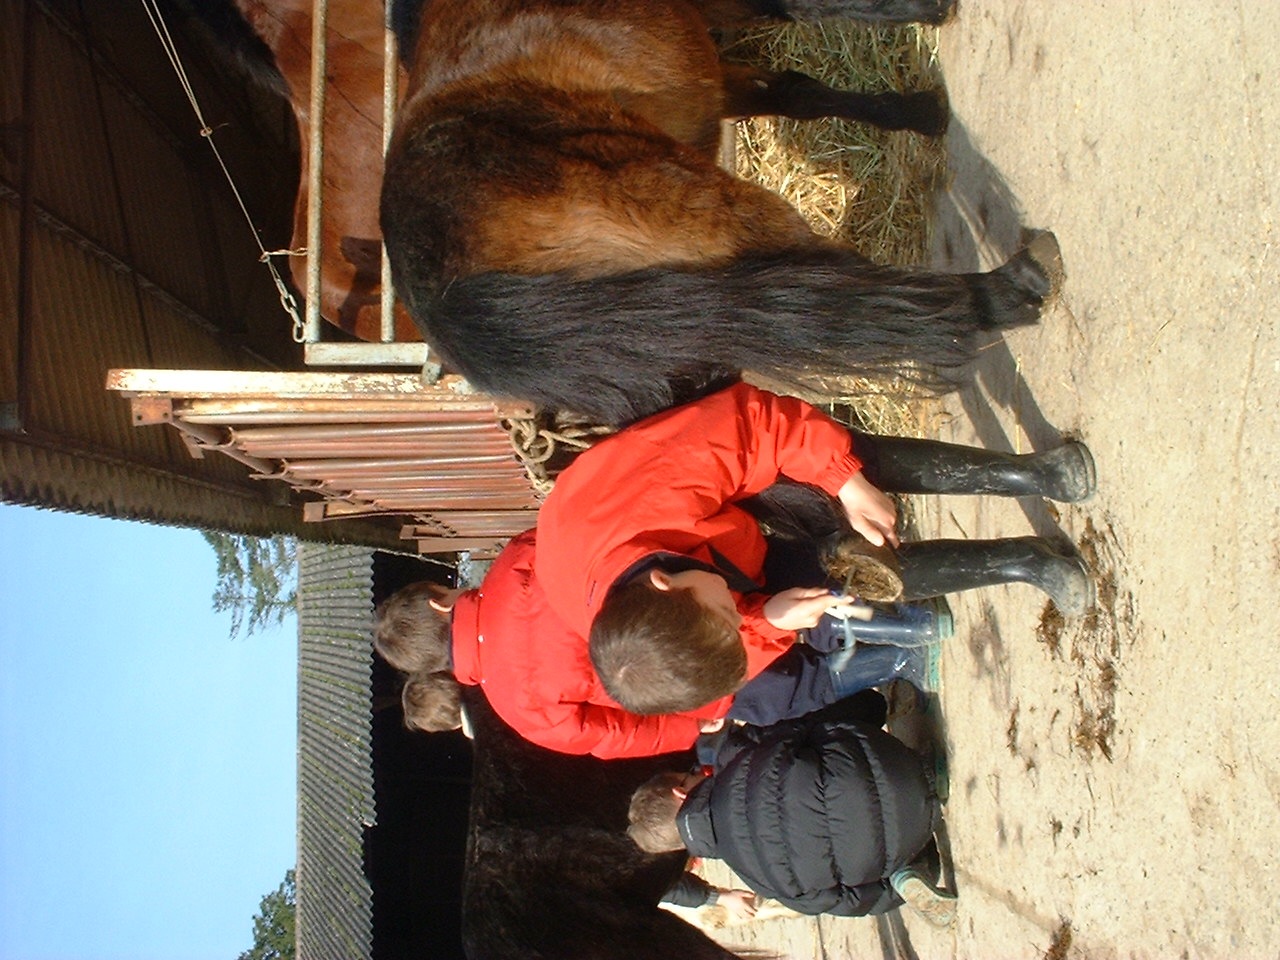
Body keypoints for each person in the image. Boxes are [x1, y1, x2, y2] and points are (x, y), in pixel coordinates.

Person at [534, 381, 1094, 716]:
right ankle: (1026, 560)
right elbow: (735, 651)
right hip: (717, 546)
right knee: (851, 587)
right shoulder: (662, 651)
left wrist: (845, 480)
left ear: (664, 583)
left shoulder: (641, 497)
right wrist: (768, 620)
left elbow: (754, 425)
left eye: (726, 611)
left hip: (715, 486)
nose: (736, 611)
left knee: (848, 461)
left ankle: (1031, 472)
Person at [627, 713, 957, 926]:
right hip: (896, 768)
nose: (696, 773)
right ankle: (925, 771)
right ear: (681, 794)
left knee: (837, 891)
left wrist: (895, 888)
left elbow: (846, 902)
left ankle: (909, 874)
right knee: (820, 732)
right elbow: (803, 729)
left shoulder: (762, 880)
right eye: (687, 776)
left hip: (910, 836)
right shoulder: (738, 757)